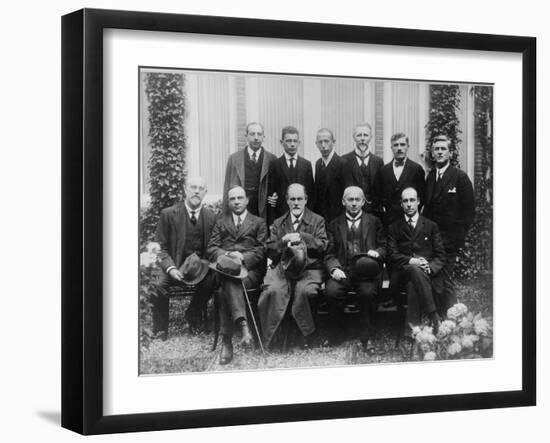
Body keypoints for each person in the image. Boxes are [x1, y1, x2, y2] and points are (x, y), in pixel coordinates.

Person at [258, 183, 328, 349]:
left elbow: (323, 246)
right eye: (292, 199)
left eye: (299, 199)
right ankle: (274, 334)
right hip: (283, 270)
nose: (296, 203)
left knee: (304, 291)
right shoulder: (278, 223)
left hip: (309, 269)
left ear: (306, 200)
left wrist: (302, 237)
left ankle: (306, 334)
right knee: (272, 290)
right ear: (287, 201)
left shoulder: (317, 220)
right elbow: (269, 250)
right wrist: (283, 241)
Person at [207, 186, 268, 365]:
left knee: (223, 289)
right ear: (228, 202)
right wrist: (226, 257)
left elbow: (262, 249)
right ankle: (243, 327)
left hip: (249, 271)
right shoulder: (221, 221)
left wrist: (242, 257)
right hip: (224, 268)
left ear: (247, 200)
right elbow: (211, 248)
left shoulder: (258, 222)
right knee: (228, 277)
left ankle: (227, 342)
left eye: (240, 198)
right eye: (232, 199)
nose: (236, 202)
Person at [152, 176, 217, 339]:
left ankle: (193, 315)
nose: (196, 191)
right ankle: (160, 329)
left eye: (200, 188)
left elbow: (213, 247)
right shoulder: (168, 214)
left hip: (199, 270)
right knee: (158, 284)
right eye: (193, 187)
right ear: (185, 190)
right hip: (174, 267)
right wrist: (171, 268)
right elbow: (160, 248)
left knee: (214, 280)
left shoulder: (211, 217)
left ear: (205, 193)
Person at [324, 186, 386, 351]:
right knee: (331, 291)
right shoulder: (334, 224)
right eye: (350, 200)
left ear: (363, 201)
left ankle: (367, 337)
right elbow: (329, 253)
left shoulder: (374, 222)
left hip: (366, 273)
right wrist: (334, 269)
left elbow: (384, 247)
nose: (354, 203)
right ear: (343, 202)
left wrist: (377, 253)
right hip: (343, 271)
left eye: (357, 199)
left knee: (367, 293)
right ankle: (337, 334)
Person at [423, 135, 475, 315]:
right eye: (436, 149)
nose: (439, 152)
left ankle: (454, 319)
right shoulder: (430, 177)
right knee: (436, 280)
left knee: (445, 280)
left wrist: (457, 238)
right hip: (432, 241)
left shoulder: (459, 177)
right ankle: (441, 317)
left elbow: (469, 212)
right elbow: (427, 210)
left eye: (443, 149)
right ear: (432, 152)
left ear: (450, 153)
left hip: (450, 241)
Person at [388, 187, 445, 334]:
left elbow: (440, 255)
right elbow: (392, 255)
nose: (409, 204)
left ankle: (412, 329)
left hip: (426, 274)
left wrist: (430, 267)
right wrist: (412, 261)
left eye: (412, 200)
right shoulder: (394, 227)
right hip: (402, 272)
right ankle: (434, 315)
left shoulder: (431, 226)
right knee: (414, 269)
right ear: (401, 204)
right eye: (405, 201)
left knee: (414, 282)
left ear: (418, 201)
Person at [223, 122, 277, 221]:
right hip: (240, 212)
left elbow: (277, 188)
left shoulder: (272, 159)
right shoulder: (234, 159)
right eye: (252, 134)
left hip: (263, 212)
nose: (256, 138)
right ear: (246, 136)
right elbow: (227, 189)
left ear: (263, 137)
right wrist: (226, 218)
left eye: (259, 134)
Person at [374, 132, 426, 227]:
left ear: (407, 146)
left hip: (410, 222)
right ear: (391, 148)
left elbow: (422, 196)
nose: (399, 148)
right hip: (389, 222)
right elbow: (378, 196)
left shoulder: (417, 169)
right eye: (395, 145)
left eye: (402, 145)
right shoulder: (383, 171)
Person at [267, 126, 314, 224]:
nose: (292, 144)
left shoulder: (306, 165)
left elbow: (311, 195)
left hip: (302, 217)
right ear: (281, 142)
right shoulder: (274, 164)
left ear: (299, 142)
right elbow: (271, 197)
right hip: (281, 217)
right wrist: (272, 222)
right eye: (288, 141)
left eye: (295, 141)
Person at [341, 123, 384, 214]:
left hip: (374, 213)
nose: (362, 139)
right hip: (352, 211)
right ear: (353, 137)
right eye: (359, 135)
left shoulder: (378, 162)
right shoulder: (344, 161)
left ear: (371, 137)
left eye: (365, 135)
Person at [312, 128, 345, 224]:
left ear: (333, 142)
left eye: (326, 141)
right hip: (321, 219)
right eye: (320, 142)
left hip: (337, 218)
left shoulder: (343, 164)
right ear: (316, 144)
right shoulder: (318, 164)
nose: (323, 145)